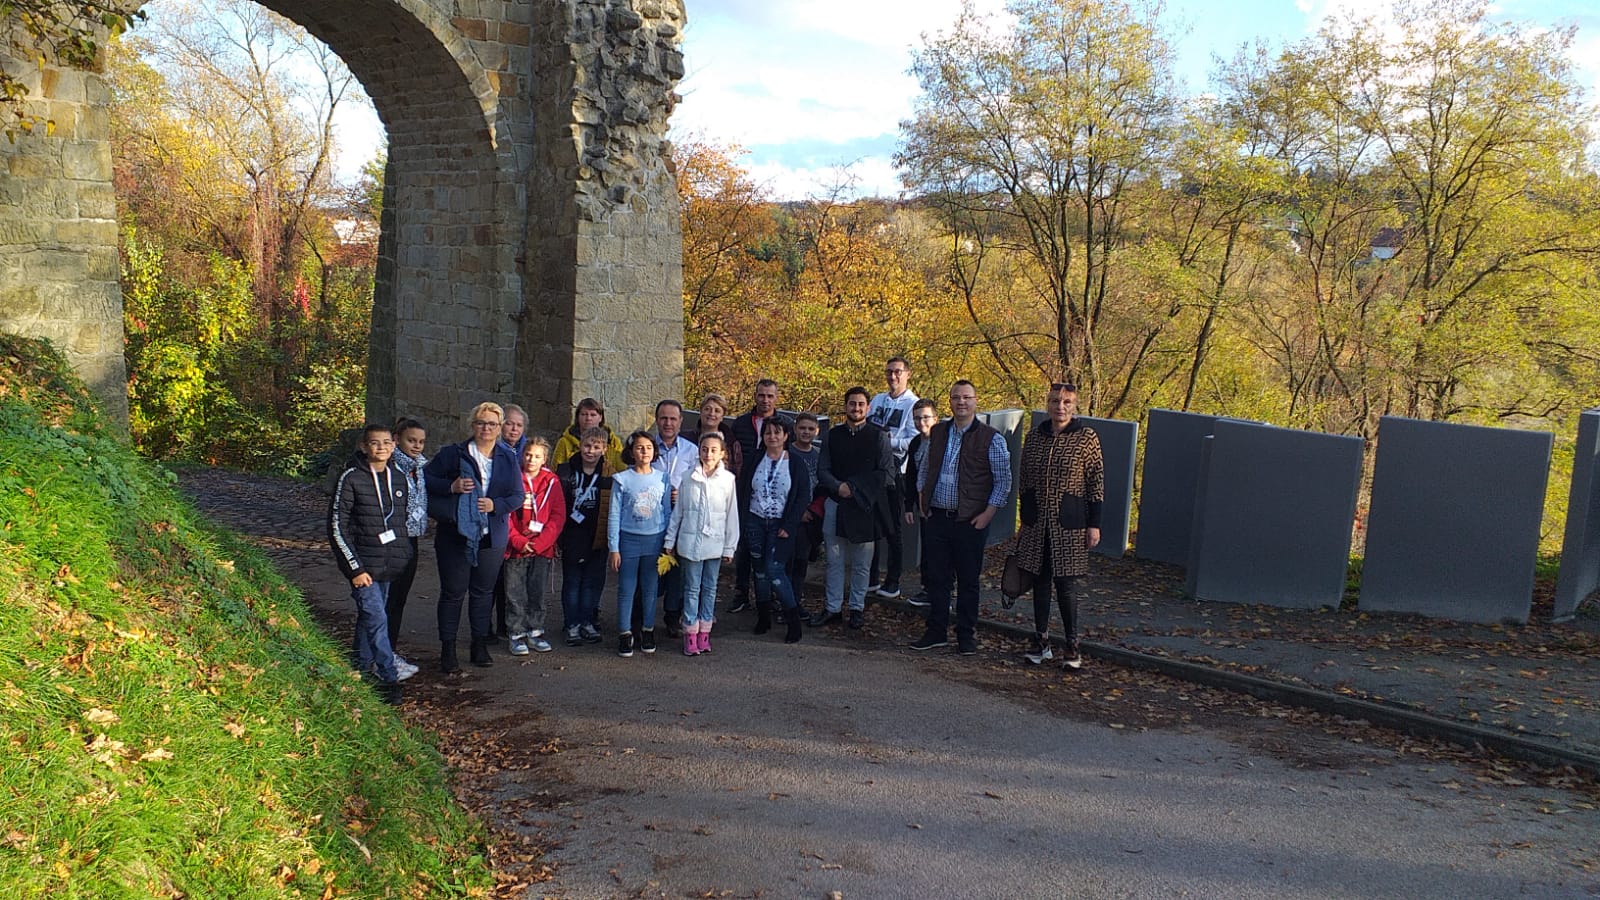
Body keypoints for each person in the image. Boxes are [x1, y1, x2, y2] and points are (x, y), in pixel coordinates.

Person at [911, 380, 1011, 656]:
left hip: (971, 521)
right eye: (956, 397)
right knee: (937, 579)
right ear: (950, 401)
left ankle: (966, 635)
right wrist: (922, 498)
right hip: (937, 517)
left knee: (968, 581)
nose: (961, 402)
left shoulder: (991, 438)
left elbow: (1003, 481)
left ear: (975, 401)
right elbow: (925, 467)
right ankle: (936, 632)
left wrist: (988, 514)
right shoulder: (938, 432)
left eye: (967, 397)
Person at [425, 402, 525, 672]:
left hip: (491, 535)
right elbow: (425, 479)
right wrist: (451, 486)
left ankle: (479, 644)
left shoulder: (508, 458)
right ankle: (448, 649)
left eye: (492, 424)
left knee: (483, 592)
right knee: (453, 592)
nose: (486, 428)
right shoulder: (453, 454)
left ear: (499, 427)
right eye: (481, 423)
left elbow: (517, 495)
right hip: (455, 535)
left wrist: (495, 505)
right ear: (472, 425)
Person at [1014, 382, 1104, 670]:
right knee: (1039, 582)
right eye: (1055, 401)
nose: (1060, 407)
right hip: (1038, 523)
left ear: (1074, 405)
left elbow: (1096, 483)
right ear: (1048, 404)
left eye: (1066, 402)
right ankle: (1041, 641)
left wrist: (1094, 524)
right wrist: (1025, 519)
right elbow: (1025, 480)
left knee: (1066, 586)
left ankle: (1072, 645)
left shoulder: (1086, 438)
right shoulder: (1035, 437)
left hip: (1070, 524)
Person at [329, 423, 415, 703]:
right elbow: (337, 526)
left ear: (394, 445)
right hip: (363, 566)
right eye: (375, 443)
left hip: (388, 565)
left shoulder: (398, 479)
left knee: (370, 617)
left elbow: (401, 522)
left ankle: (360, 667)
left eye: (387, 443)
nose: (382, 448)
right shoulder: (351, 478)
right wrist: (354, 568)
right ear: (364, 447)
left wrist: (402, 555)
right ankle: (389, 678)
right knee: (377, 619)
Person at [813, 386, 893, 629]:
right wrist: (838, 487)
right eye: (852, 403)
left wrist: (855, 488)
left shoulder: (879, 437)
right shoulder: (832, 435)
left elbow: (886, 473)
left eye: (861, 404)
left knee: (861, 564)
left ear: (867, 408)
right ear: (845, 406)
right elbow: (822, 469)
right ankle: (833, 608)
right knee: (834, 561)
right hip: (836, 503)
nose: (856, 408)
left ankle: (857, 608)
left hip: (865, 507)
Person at [664, 432, 740, 655]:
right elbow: (679, 512)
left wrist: (730, 546)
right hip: (690, 543)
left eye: (714, 450)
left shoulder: (728, 480)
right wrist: (670, 539)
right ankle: (690, 632)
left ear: (722, 454)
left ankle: (705, 631)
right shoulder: (688, 477)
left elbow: (731, 515)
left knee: (710, 588)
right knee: (691, 588)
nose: (708, 454)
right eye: (704, 449)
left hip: (715, 544)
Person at [746, 417, 812, 643]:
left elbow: (803, 496)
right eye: (768, 433)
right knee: (759, 571)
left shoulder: (795, 463)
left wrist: (789, 525)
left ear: (786, 436)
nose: (772, 437)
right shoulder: (755, 459)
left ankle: (793, 620)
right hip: (755, 520)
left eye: (777, 432)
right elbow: (744, 489)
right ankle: (763, 617)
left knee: (774, 569)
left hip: (780, 524)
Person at [729, 379, 791, 612]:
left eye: (770, 396)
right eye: (761, 395)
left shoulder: (785, 424)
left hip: (774, 492)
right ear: (755, 396)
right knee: (745, 545)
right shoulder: (741, 423)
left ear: (776, 398)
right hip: (745, 488)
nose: (765, 400)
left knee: (769, 551)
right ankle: (741, 592)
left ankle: (768, 597)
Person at [609, 430, 672, 657]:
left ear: (655, 451)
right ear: (631, 451)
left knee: (650, 588)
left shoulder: (663, 478)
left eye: (649, 447)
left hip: (654, 540)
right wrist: (614, 548)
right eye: (639, 447)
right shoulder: (622, 479)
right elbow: (614, 515)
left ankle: (648, 630)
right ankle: (625, 632)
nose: (644, 451)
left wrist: (668, 542)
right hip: (629, 540)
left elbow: (667, 511)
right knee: (627, 588)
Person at [503, 436, 566, 655]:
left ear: (544, 459)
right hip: (516, 549)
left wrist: (540, 543)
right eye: (528, 454)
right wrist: (519, 541)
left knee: (537, 593)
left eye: (537, 456)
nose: (531, 459)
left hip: (542, 549)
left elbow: (558, 516)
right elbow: (506, 515)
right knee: (514, 593)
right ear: (522, 455)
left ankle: (535, 631)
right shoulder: (513, 479)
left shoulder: (552, 482)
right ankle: (516, 634)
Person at [867, 356, 919, 599]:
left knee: (892, 528)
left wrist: (889, 442)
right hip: (872, 470)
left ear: (907, 374)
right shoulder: (878, 400)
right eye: (889, 371)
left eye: (898, 371)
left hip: (897, 472)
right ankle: (871, 577)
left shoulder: (913, 404)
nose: (893, 376)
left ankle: (893, 580)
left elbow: (914, 440)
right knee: (871, 525)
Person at [557, 427, 614, 646]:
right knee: (572, 581)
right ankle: (572, 624)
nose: (591, 451)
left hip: (597, 535)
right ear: (580, 446)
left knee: (592, 582)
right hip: (572, 534)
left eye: (596, 447)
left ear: (604, 449)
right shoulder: (566, 471)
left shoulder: (609, 473)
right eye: (587, 445)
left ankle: (587, 621)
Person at [385, 417, 428, 679]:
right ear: (397, 439)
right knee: (387, 599)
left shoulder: (419, 467)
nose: (417, 446)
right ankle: (381, 652)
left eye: (421, 442)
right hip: (393, 540)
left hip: (412, 538)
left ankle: (389, 650)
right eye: (411, 440)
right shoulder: (391, 468)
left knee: (399, 599)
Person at [650, 400, 698, 637]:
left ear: (680, 421)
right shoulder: (646, 446)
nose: (668, 423)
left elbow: (699, 484)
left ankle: (672, 615)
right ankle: (644, 615)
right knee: (650, 568)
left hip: (680, 518)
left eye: (672, 419)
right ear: (657, 420)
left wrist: (684, 493)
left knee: (677, 571)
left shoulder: (692, 450)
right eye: (663, 418)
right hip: (650, 517)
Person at [492, 403, 530, 638]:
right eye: (509, 424)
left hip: (521, 522)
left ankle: (507, 624)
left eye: (519, 425)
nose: (514, 429)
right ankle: (485, 628)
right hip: (497, 517)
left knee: (513, 579)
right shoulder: (493, 449)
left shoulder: (528, 451)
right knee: (493, 578)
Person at [901, 398, 940, 608]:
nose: (921, 422)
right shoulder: (916, 442)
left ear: (935, 418)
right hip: (922, 504)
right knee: (926, 547)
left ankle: (941, 590)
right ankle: (927, 588)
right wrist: (909, 506)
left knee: (939, 550)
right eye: (917, 418)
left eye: (925, 417)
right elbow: (911, 476)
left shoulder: (943, 441)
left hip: (941, 504)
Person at [787, 411, 824, 609]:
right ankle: (784, 602)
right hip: (789, 516)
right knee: (787, 562)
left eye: (810, 429)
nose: (806, 432)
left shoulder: (819, 456)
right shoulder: (786, 453)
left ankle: (795, 601)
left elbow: (823, 487)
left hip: (810, 518)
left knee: (801, 562)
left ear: (817, 431)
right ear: (795, 429)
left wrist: (812, 511)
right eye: (802, 428)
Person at [552, 397, 625, 471]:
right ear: (578, 417)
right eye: (584, 414)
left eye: (593, 415)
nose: (588, 418)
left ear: (600, 417)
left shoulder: (613, 441)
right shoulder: (565, 442)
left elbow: (623, 468)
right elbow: (556, 470)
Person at [684, 393, 743, 477]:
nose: (712, 413)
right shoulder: (686, 439)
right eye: (707, 409)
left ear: (722, 416)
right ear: (701, 412)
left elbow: (736, 472)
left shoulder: (732, 444)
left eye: (717, 411)